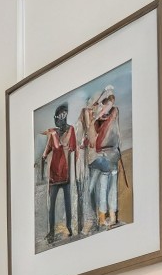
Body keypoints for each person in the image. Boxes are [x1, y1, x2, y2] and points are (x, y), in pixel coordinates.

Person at [83, 84, 122, 230]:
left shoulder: (111, 113)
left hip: (110, 155)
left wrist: (97, 115)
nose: (105, 108)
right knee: (104, 185)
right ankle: (104, 216)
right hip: (104, 157)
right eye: (103, 104)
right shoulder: (94, 118)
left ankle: (109, 216)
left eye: (108, 104)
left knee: (108, 185)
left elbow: (97, 141)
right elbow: (93, 141)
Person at [41, 103, 77, 244]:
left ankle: (69, 227)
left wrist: (55, 135)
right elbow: (49, 147)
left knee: (68, 202)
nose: (60, 119)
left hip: (66, 173)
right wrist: (43, 156)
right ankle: (51, 232)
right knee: (52, 204)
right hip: (54, 174)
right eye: (58, 116)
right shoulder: (53, 133)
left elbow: (70, 147)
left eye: (62, 115)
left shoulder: (70, 130)